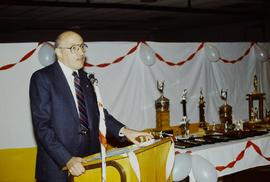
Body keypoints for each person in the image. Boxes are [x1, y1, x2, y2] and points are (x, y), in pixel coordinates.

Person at [30, 31, 153, 182]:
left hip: (90, 164)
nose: (81, 52)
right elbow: (42, 127)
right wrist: (67, 159)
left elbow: (100, 115)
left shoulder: (85, 79)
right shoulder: (42, 78)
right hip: (57, 169)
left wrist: (126, 131)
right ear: (59, 52)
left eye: (82, 46)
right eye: (74, 48)